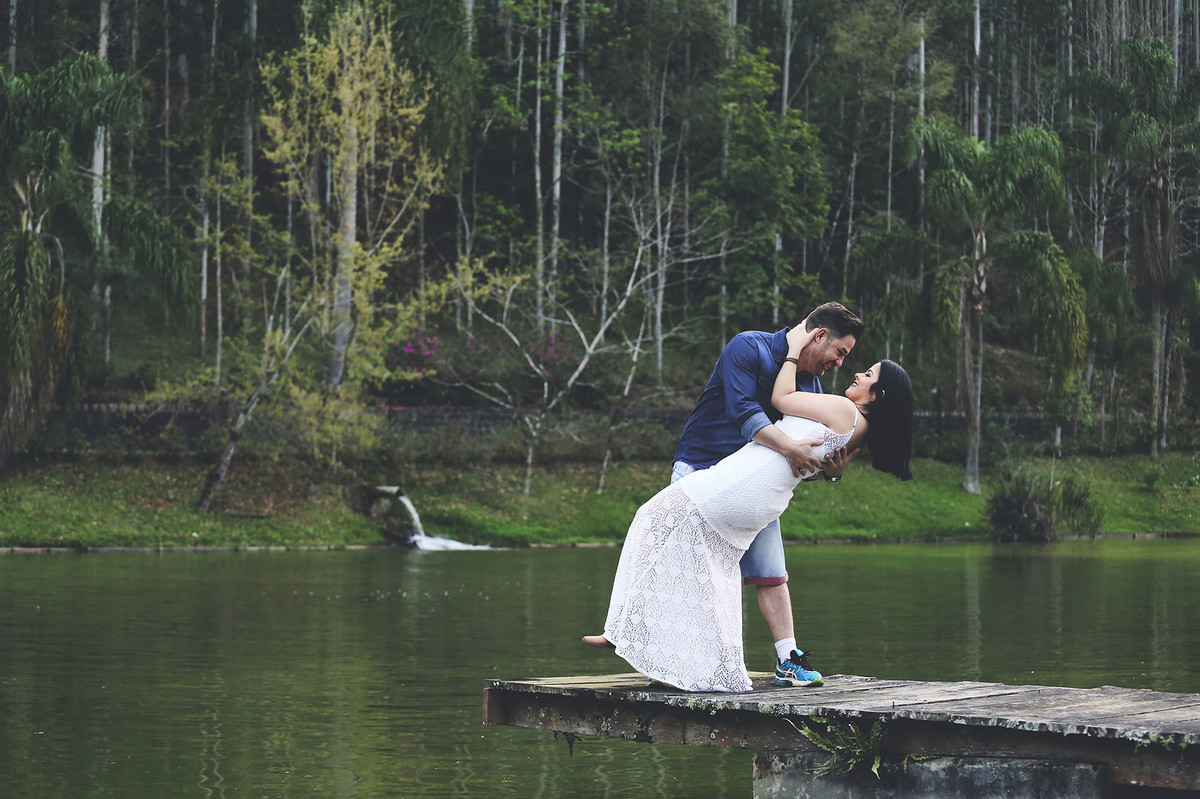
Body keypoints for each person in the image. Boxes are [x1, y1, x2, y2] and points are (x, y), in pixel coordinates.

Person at [583, 324, 914, 692]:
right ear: (819, 335)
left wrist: (792, 355)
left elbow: (783, 403)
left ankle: (636, 636)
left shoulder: (827, 397)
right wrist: (824, 471)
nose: (845, 366)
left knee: (663, 528)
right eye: (841, 353)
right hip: (728, 475)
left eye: (864, 371)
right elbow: (755, 420)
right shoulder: (750, 348)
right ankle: (658, 650)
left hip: (741, 485)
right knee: (709, 562)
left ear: (878, 394)